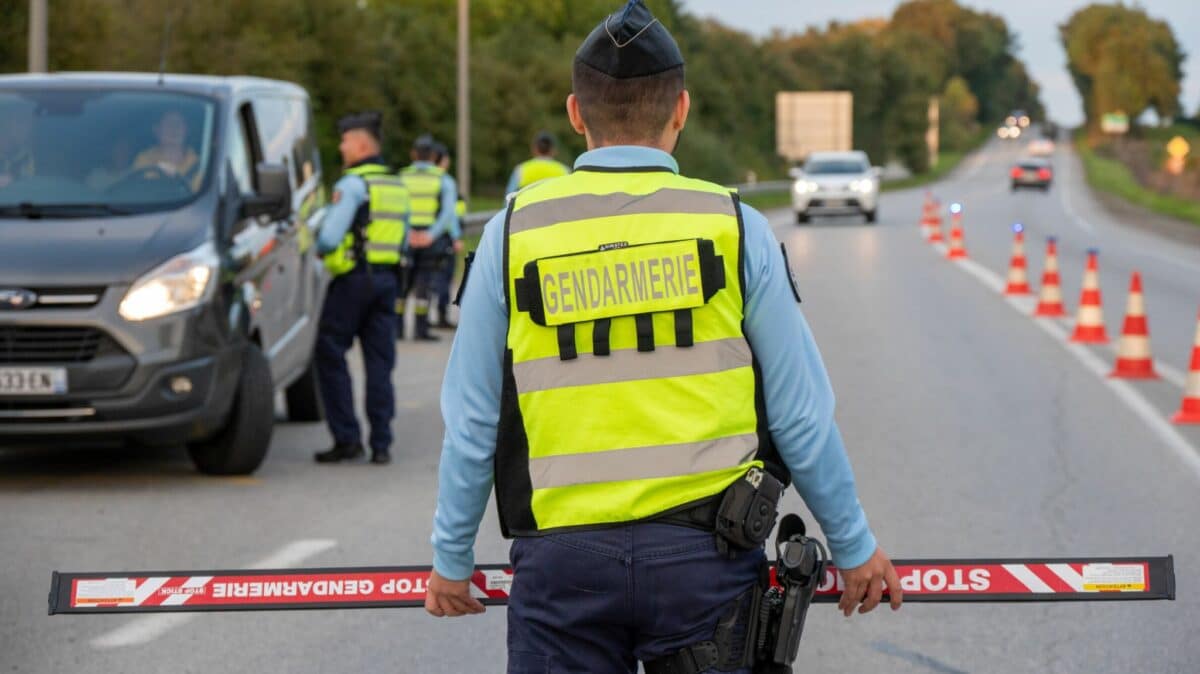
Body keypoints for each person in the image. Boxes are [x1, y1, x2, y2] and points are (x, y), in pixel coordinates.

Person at [425, 2, 902, 672]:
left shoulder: (512, 232)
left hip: (564, 568)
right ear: (681, 109)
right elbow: (800, 414)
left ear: (575, 113)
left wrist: (451, 559)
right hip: (705, 564)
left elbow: (473, 419)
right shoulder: (734, 226)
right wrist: (852, 545)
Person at [312, 111, 410, 466]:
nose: (341, 147)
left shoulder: (353, 185)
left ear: (363, 146)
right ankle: (381, 443)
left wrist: (319, 246)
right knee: (380, 363)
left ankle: (347, 438)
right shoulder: (397, 186)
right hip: (388, 283)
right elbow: (403, 239)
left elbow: (329, 238)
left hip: (353, 281)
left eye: (345, 141)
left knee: (328, 350)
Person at [397, 135, 457, 341]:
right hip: (430, 240)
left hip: (406, 238)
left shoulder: (402, 177)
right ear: (433, 155)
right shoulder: (443, 179)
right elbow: (448, 213)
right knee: (424, 285)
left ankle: (397, 329)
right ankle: (420, 330)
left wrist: (408, 233)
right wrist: (430, 235)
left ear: (413, 154)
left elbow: (397, 208)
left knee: (402, 285)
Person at [432, 143, 465, 329]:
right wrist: (456, 236)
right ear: (443, 160)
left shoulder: (423, 180)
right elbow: (449, 214)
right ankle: (441, 316)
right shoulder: (445, 182)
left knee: (425, 279)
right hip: (443, 237)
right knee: (444, 277)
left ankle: (421, 321)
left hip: (422, 235)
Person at [131, 110, 203, 191]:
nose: (174, 129)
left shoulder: (201, 164)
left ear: (186, 129)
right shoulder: (144, 160)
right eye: (169, 124)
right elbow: (136, 191)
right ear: (157, 130)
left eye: (178, 123)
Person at [505, 129, 570, 194]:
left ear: (534, 149)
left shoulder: (521, 170)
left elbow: (509, 196)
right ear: (553, 150)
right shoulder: (564, 171)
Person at [0, 104, 35, 189]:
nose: (26, 129)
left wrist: (14, 178)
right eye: (20, 123)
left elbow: (29, 182)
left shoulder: (26, 156)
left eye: (28, 125)